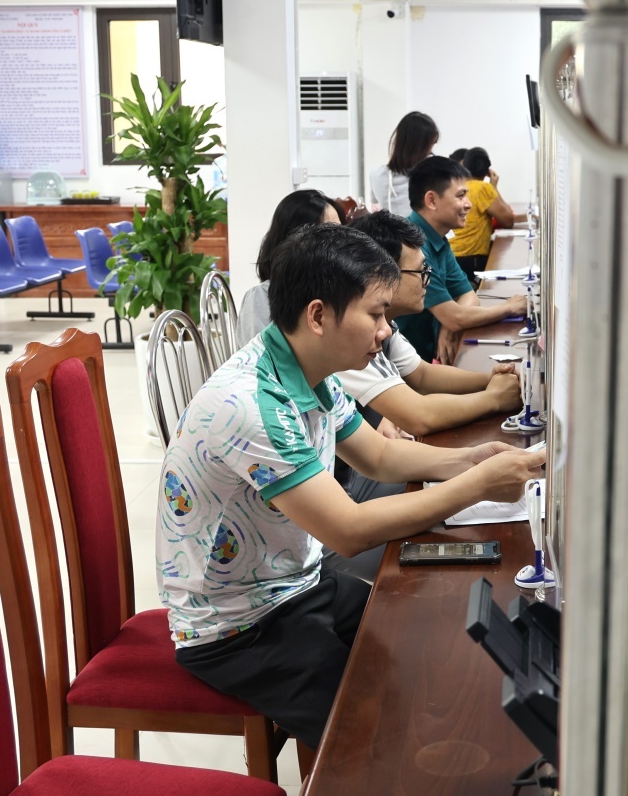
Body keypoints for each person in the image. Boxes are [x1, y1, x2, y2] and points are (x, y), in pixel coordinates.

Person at [159, 222, 545, 749]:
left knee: (422, 645)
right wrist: (477, 483)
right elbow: (348, 531)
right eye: (377, 314)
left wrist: (467, 460)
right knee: (375, 736)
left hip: (296, 583)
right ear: (318, 316)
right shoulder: (252, 405)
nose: (386, 331)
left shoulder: (309, 369)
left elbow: (379, 455)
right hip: (240, 625)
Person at [341, 210, 522, 440]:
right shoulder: (350, 337)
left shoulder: (385, 324)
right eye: (421, 271)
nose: (426, 280)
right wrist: (494, 398)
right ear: (384, 275)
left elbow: (422, 375)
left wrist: (490, 379)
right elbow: (419, 416)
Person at [395, 155, 528, 363]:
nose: (469, 204)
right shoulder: (412, 246)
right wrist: (508, 308)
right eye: (460, 196)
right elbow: (456, 316)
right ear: (431, 201)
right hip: (402, 363)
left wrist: (449, 323)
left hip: (423, 357)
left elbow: (468, 296)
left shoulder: (437, 238)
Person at [237, 189, 344, 347]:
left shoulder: (338, 292)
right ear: (297, 240)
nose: (341, 241)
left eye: (341, 232)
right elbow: (260, 358)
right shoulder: (260, 298)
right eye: (330, 233)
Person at [450, 146, 516, 281]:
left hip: (452, 256)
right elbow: (508, 220)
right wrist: (494, 187)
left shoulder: (457, 186)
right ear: (487, 170)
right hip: (471, 260)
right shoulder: (483, 188)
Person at [368, 112, 438, 217]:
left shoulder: (376, 174)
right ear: (422, 146)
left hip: (389, 227)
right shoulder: (434, 175)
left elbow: (375, 205)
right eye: (430, 145)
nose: (430, 151)